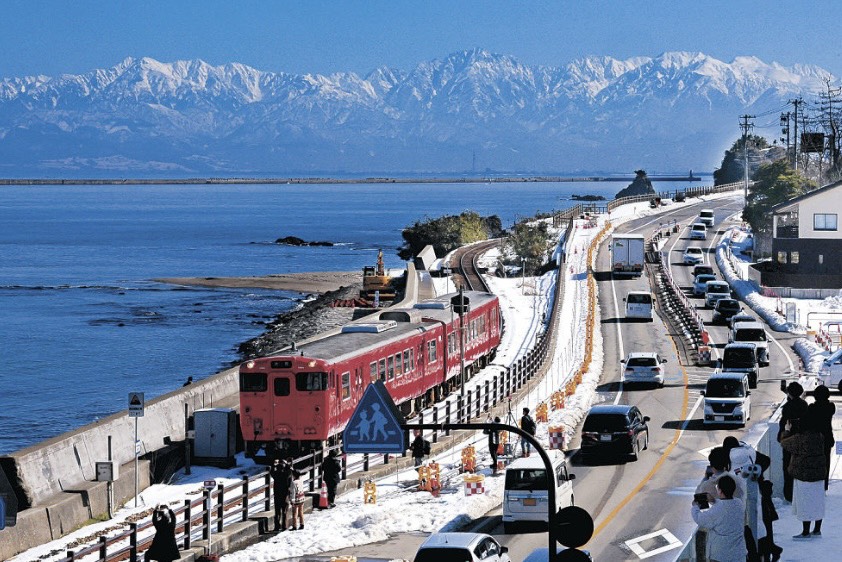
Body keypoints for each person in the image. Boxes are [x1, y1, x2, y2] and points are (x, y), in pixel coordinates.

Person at [780, 410, 827, 539]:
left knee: (805, 504)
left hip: (803, 475)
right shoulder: (819, 436)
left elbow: (784, 443)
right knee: (818, 503)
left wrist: (787, 430)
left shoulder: (800, 439)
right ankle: (817, 530)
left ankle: (806, 532)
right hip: (818, 474)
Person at [691, 475, 747, 562]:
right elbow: (726, 505)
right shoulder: (739, 504)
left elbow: (699, 518)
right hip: (739, 554)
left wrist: (695, 507)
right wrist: (714, 501)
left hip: (721, 555)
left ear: (720, 490)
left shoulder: (717, 510)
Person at [778, 381, 808, 502]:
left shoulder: (787, 408)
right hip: (802, 440)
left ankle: (789, 495)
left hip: (789, 439)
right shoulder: (804, 405)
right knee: (801, 467)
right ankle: (800, 493)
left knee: (788, 467)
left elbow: (784, 425)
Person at [808, 384, 836, 490]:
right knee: (826, 462)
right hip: (827, 438)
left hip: (815, 439)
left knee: (815, 462)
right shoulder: (830, 407)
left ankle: (816, 483)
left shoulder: (812, 408)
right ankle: (825, 485)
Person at [758, 479, 783, 562]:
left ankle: (772, 552)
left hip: (764, 509)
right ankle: (773, 551)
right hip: (765, 508)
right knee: (767, 535)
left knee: (765, 535)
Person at [269, 457, 293, 532]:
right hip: (285, 495)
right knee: (285, 511)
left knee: (277, 512)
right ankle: (284, 526)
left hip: (277, 495)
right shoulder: (286, 474)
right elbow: (290, 471)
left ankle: (276, 526)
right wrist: (287, 464)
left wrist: (274, 465)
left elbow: (271, 471)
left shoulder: (276, 475)